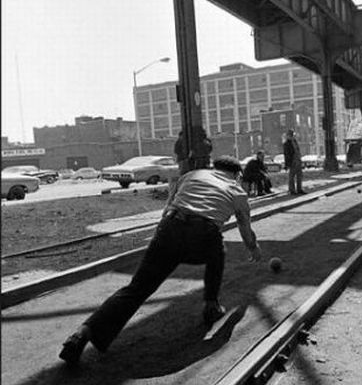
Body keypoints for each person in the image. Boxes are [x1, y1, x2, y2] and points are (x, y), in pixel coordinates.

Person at [59, 156, 262, 365]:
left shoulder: (192, 175)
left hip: (170, 227)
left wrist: (160, 239)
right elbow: (245, 228)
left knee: (136, 288)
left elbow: (168, 207)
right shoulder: (237, 191)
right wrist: (253, 248)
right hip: (203, 233)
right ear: (236, 175)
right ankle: (211, 304)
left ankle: (81, 333)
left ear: (213, 167)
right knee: (217, 252)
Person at [283, 129, 305, 195]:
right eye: (290, 135)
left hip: (298, 160)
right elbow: (286, 154)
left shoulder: (295, 141)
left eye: (292, 135)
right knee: (291, 176)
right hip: (292, 161)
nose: (292, 136)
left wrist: (300, 158)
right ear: (288, 136)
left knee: (299, 175)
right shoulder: (286, 144)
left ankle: (299, 189)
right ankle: (292, 190)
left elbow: (297, 150)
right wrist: (287, 164)